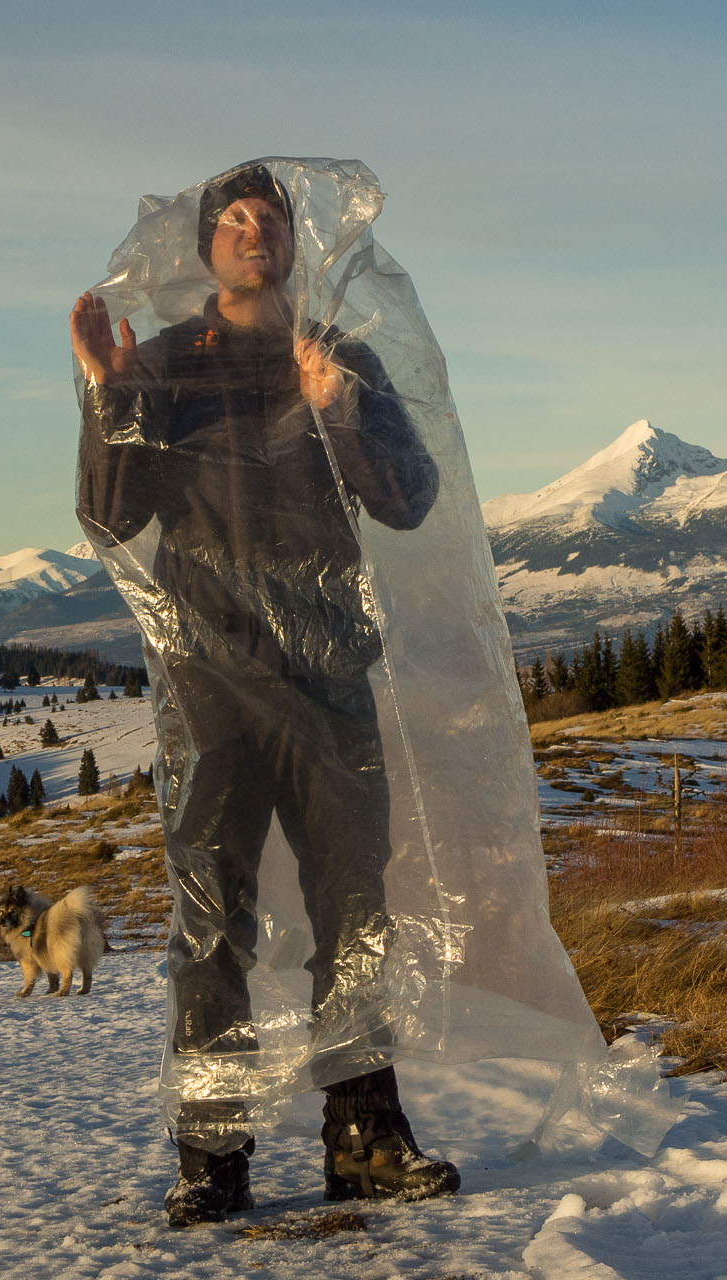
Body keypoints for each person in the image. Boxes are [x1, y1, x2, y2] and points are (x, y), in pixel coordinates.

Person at [71, 163, 457, 1227]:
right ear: (205, 249)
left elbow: (410, 500)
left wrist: (340, 409)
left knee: (356, 912)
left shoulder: (339, 357)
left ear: (293, 243)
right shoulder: (161, 366)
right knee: (209, 921)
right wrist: (111, 398)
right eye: (233, 220)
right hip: (210, 685)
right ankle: (212, 1152)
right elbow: (107, 516)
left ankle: (364, 1136)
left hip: (329, 676)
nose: (254, 232)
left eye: (270, 218)